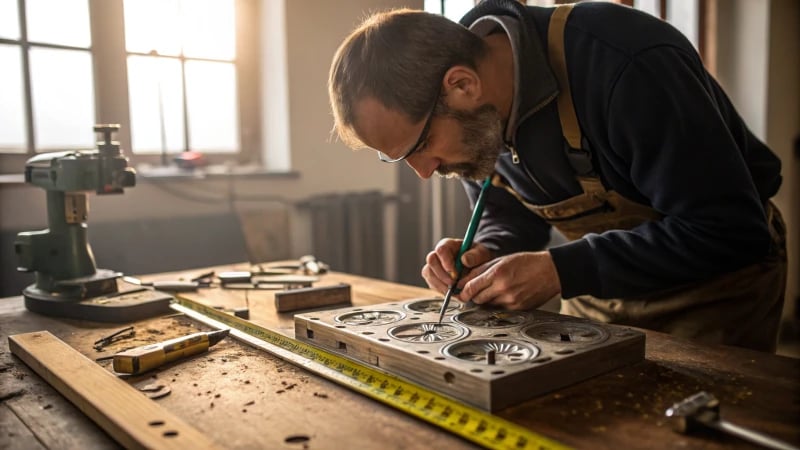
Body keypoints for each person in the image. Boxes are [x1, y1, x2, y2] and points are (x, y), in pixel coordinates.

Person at [327, 0, 786, 352]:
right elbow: (512, 216)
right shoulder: (476, 119)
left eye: (420, 146)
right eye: (401, 159)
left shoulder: (625, 63)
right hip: (599, 293)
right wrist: (486, 249)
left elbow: (728, 230)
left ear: (462, 85)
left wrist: (564, 268)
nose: (424, 173)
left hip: (713, 293)